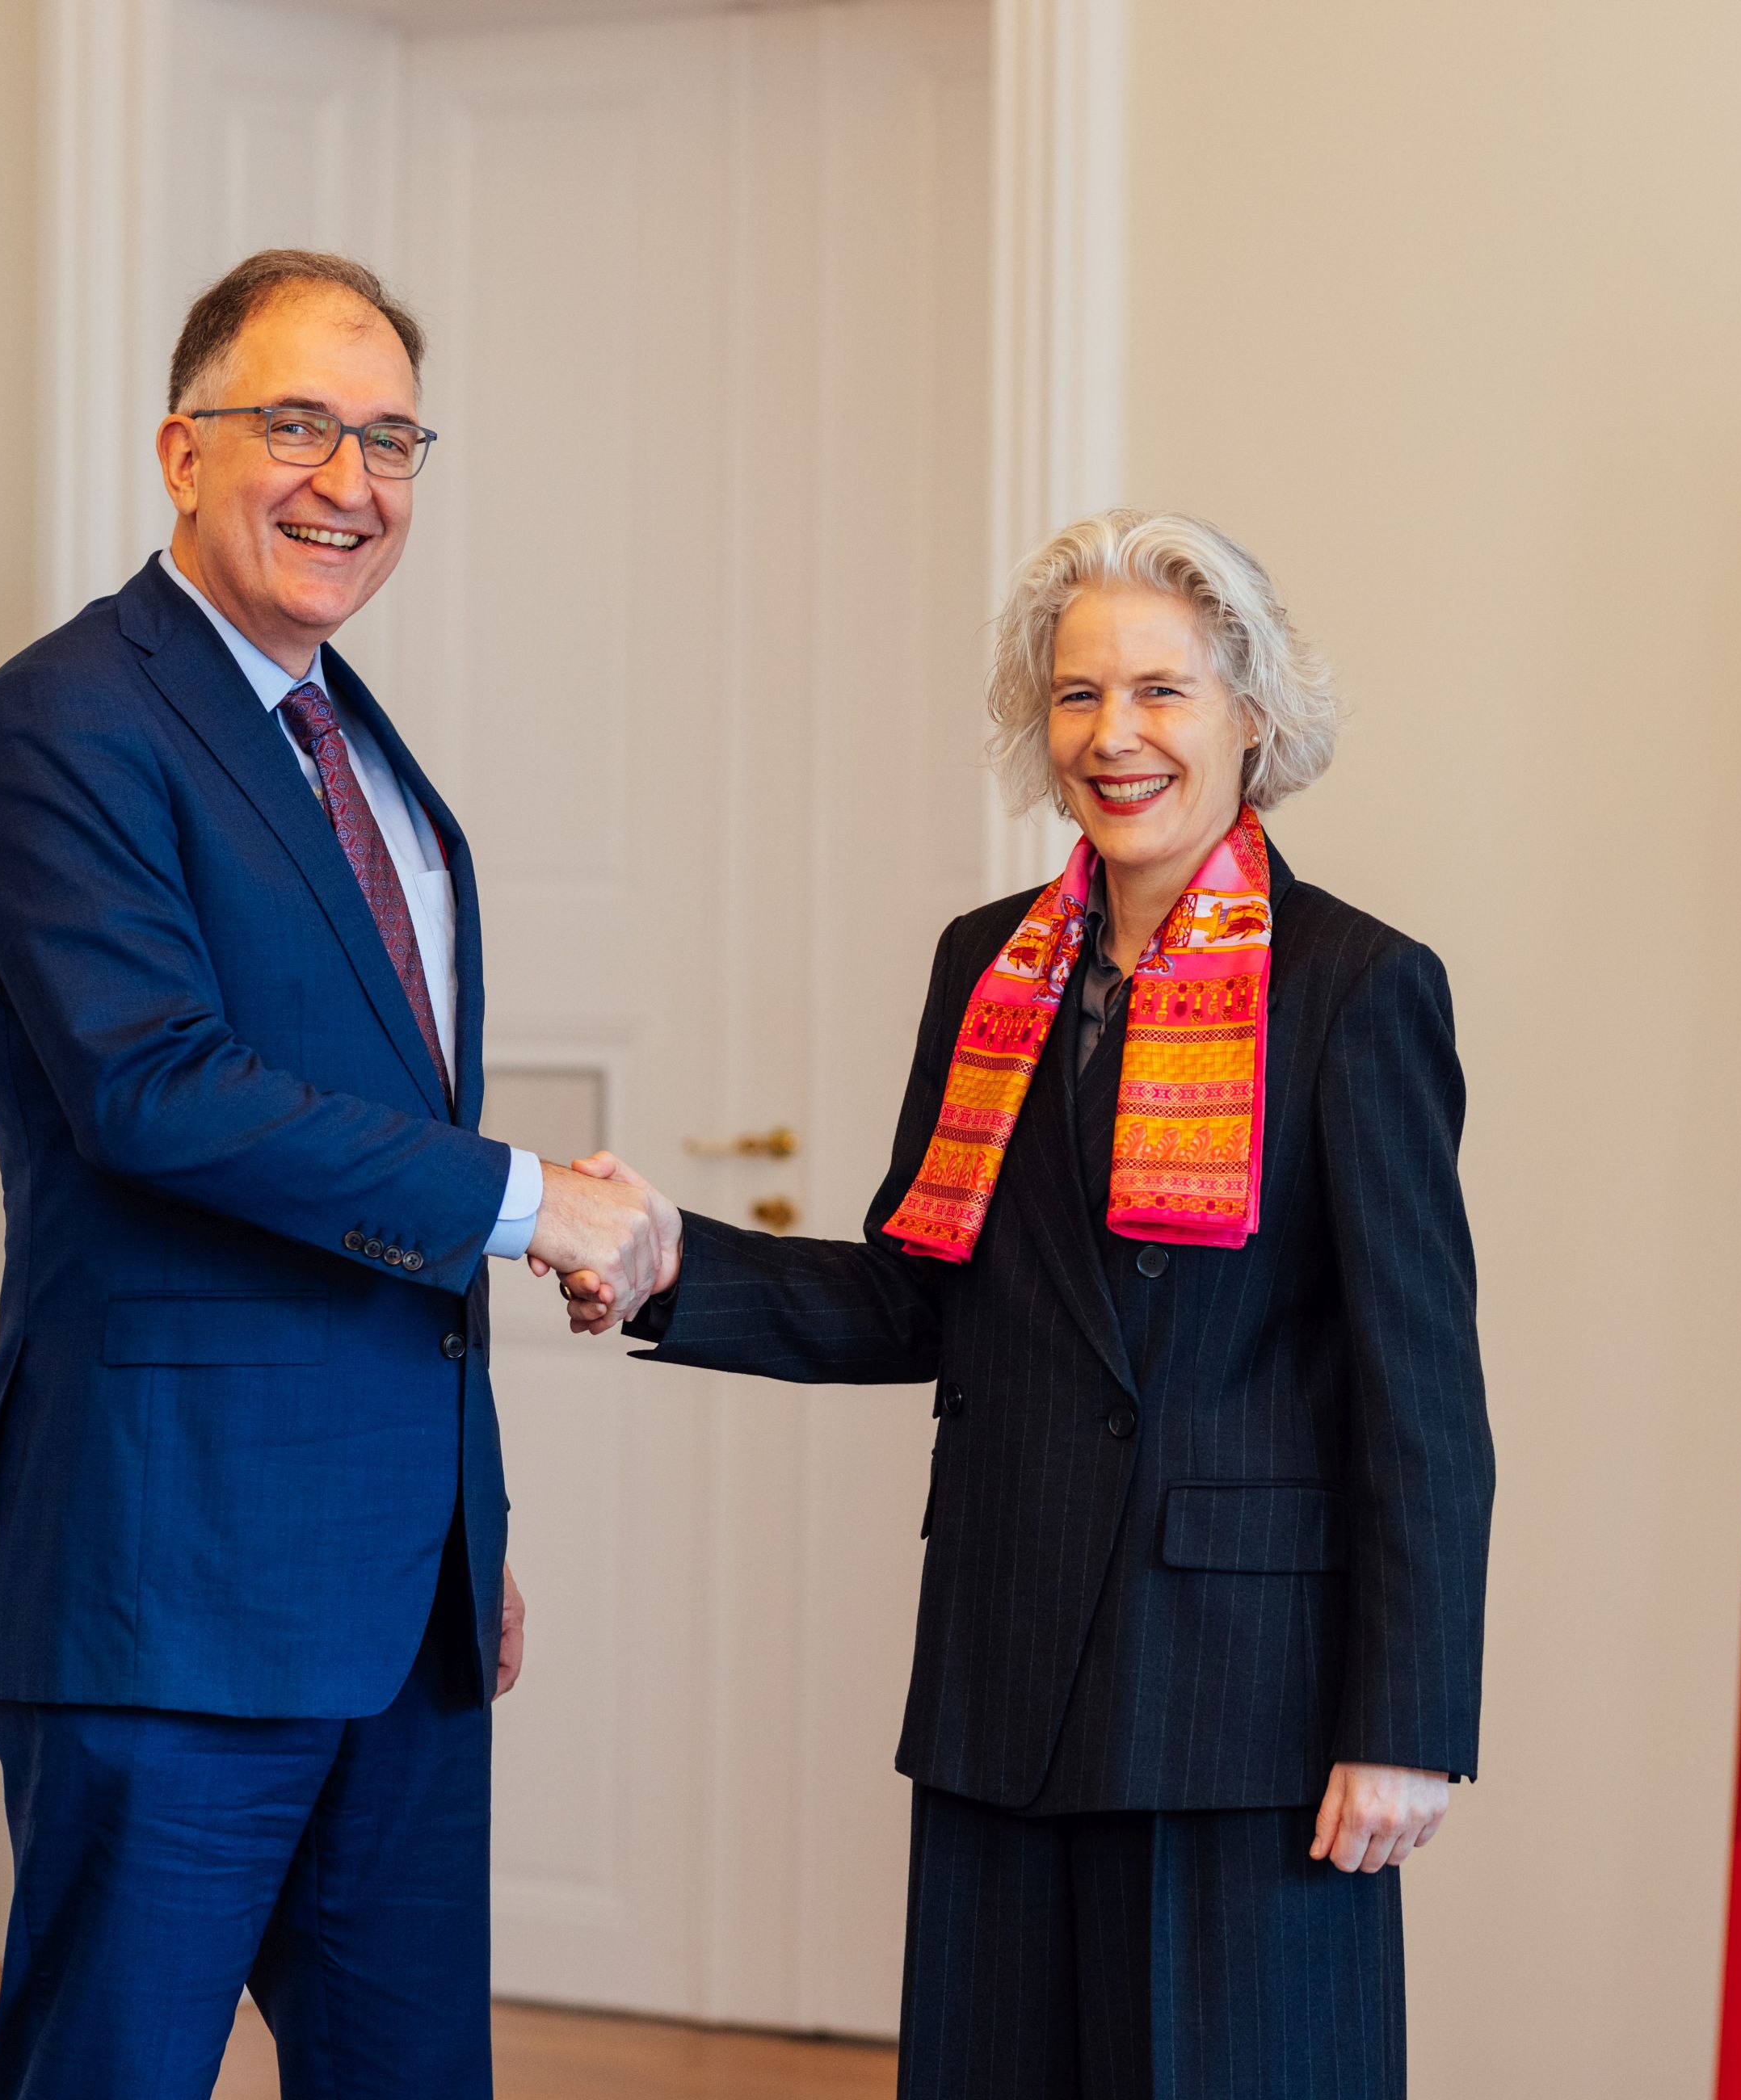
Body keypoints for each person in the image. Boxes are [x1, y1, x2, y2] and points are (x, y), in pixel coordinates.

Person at [563, 510, 1493, 2098]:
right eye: (1076, 694)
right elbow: (919, 1299)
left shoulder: (1356, 987)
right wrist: (671, 1262)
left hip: (1237, 1705)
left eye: (1160, 690)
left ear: (1251, 715)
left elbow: (1420, 1393)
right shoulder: (986, 965)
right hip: (1003, 1669)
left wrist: (1404, 1719)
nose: (1113, 735)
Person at [0, 248, 668, 2100]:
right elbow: (156, 1090)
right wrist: (534, 1201)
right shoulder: (70, 717)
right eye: (298, 426)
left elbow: (364, 1131)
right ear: (180, 450)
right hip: (169, 1591)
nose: (349, 480)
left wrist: (458, 1524)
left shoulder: (358, 747)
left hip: (393, 1608)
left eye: (390, 439)